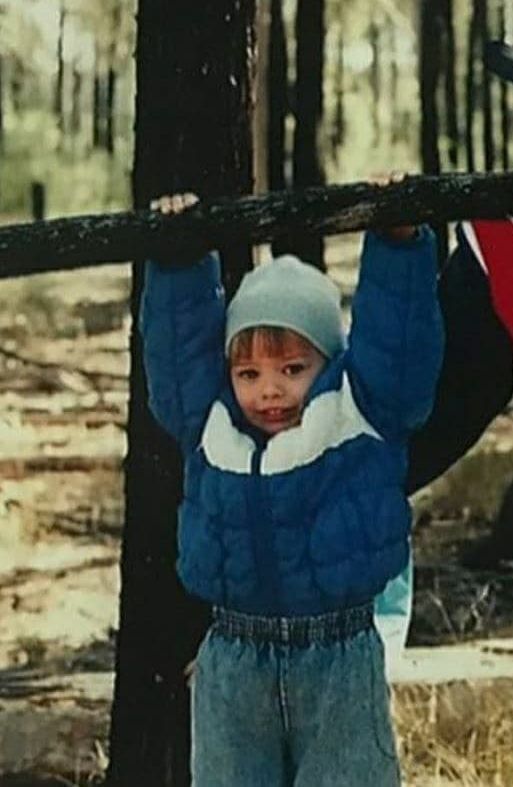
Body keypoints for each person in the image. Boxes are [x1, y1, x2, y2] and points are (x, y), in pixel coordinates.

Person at [139, 186, 444, 786]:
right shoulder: (210, 423)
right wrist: (178, 260)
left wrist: (397, 241)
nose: (270, 391)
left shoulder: (361, 415)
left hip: (339, 659)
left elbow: (398, 343)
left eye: (292, 369)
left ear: (327, 364)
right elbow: (177, 354)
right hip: (233, 659)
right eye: (248, 373)